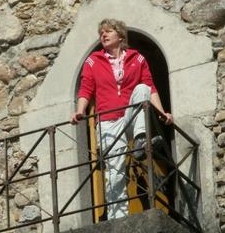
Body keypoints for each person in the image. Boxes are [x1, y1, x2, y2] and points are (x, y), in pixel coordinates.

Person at [70, 19, 173, 220]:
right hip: (107, 120)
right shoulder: (93, 60)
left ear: (120, 36)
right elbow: (86, 88)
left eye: (108, 31)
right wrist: (80, 111)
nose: (104, 35)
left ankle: (141, 139)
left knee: (142, 89)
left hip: (130, 116)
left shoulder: (138, 58)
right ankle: (119, 219)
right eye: (101, 33)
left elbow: (150, 88)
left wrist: (162, 112)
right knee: (115, 171)